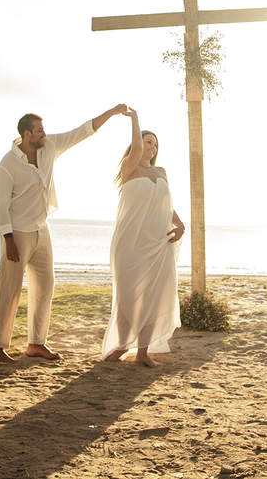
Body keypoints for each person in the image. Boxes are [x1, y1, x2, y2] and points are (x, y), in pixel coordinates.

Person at [0, 105, 129, 364]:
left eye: (44, 131)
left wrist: (111, 113)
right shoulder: (7, 165)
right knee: (9, 289)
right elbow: (0, 206)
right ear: (26, 135)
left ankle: (36, 343)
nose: (45, 134)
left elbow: (83, 131)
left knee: (45, 286)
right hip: (17, 233)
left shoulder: (50, 146)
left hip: (42, 229)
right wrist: (8, 239)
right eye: (40, 131)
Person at [102, 108, 184, 367]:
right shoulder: (129, 168)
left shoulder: (161, 171)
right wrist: (135, 119)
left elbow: (165, 203)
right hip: (131, 242)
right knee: (128, 293)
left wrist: (180, 224)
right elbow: (136, 147)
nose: (152, 146)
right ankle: (122, 345)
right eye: (148, 141)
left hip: (158, 243)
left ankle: (143, 351)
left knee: (155, 295)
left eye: (155, 144)